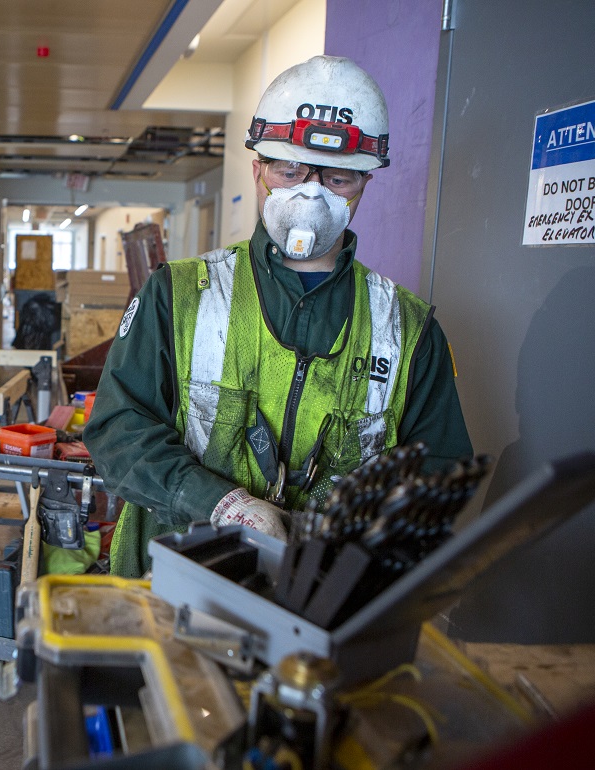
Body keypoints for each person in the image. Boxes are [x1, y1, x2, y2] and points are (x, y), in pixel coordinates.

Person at [84, 56, 473, 578]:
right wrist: (221, 505)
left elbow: (439, 472)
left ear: (364, 184)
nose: (310, 193)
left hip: (323, 602)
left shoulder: (408, 329)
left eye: (337, 178)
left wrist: (353, 541)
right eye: (290, 170)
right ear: (258, 169)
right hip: (171, 582)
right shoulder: (177, 295)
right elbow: (117, 428)